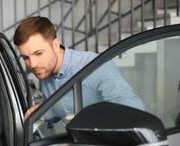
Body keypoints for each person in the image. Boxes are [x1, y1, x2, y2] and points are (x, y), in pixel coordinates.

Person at [13, 16, 144, 120]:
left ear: (55, 45)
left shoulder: (94, 66)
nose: (33, 64)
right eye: (26, 57)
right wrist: (42, 112)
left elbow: (132, 110)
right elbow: (61, 109)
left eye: (39, 53)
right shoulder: (45, 72)